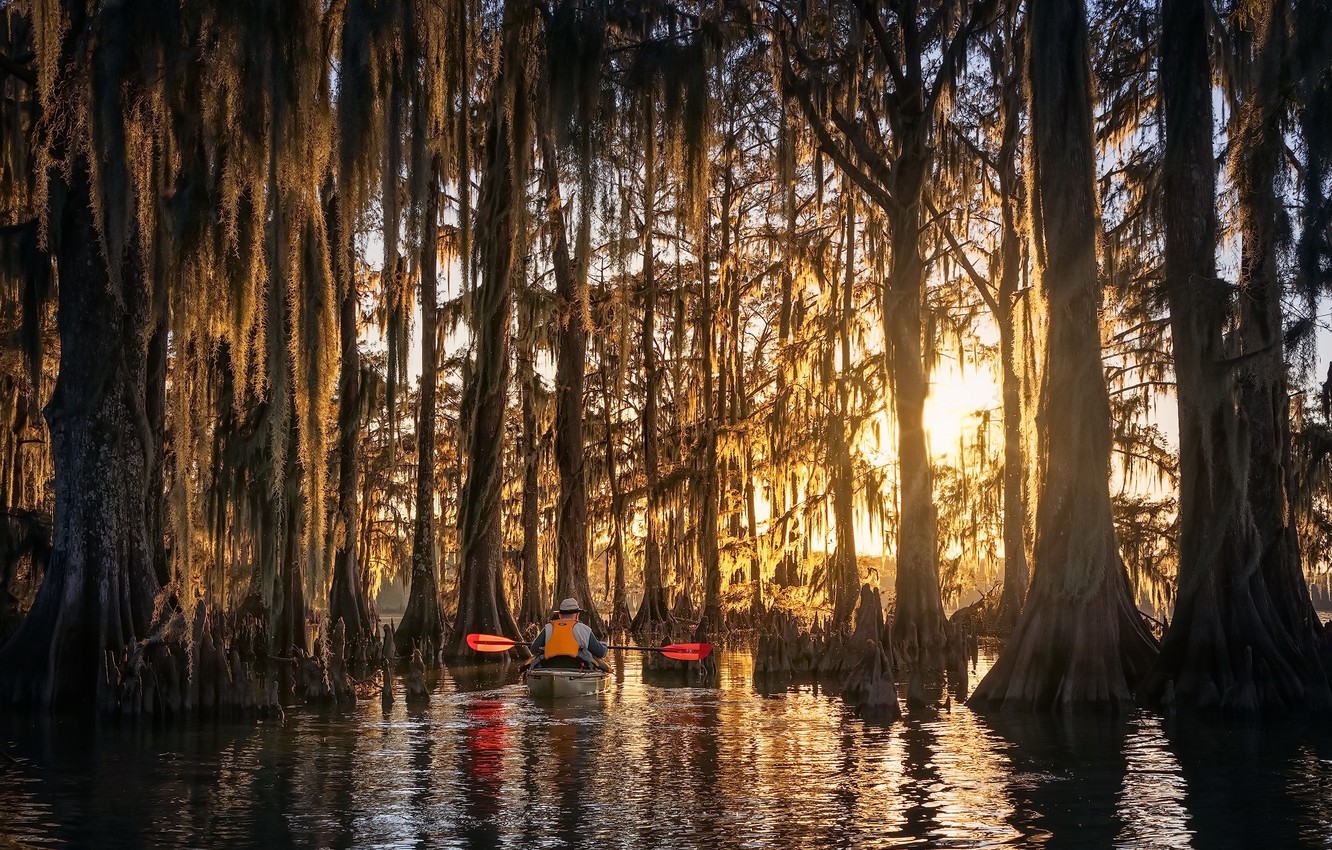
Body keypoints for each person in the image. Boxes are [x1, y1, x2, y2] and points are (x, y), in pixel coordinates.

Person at [530, 598, 609, 671]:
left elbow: (534, 649)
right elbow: (600, 652)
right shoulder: (584, 629)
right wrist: (604, 645)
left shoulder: (548, 628)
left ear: (560, 615)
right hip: (577, 669)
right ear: (577, 615)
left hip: (549, 667)